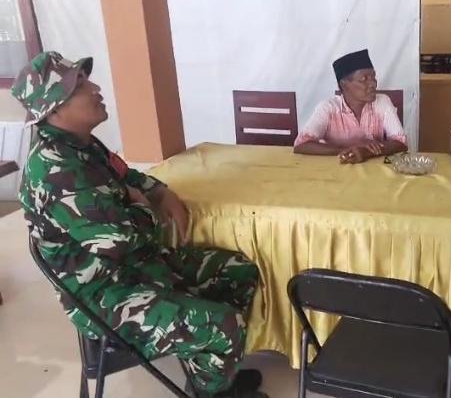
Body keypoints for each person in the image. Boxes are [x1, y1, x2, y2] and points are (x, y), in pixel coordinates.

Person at [12, 51, 266, 398]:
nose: (95, 88)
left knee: (238, 270)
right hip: (106, 295)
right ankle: (214, 390)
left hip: (138, 267)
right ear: (54, 108)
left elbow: (126, 176)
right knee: (223, 324)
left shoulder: (82, 145)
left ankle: (211, 371)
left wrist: (158, 191)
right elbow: (122, 240)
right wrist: (144, 207)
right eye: (80, 86)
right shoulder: (56, 168)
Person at [293, 49, 408, 163]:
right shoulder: (329, 108)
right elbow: (301, 144)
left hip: (374, 169)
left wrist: (366, 152)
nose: (373, 84)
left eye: (373, 77)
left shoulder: (382, 102)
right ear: (344, 84)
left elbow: (401, 142)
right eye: (364, 79)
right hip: (335, 167)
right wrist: (349, 151)